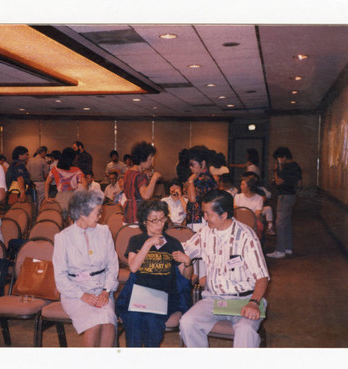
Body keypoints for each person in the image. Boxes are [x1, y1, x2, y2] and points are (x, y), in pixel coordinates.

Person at [180, 190, 270, 348]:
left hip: (245, 299)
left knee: (245, 331)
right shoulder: (205, 232)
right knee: (187, 322)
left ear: (224, 215)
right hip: (214, 299)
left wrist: (254, 303)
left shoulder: (246, 236)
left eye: (208, 214)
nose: (204, 218)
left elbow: (262, 277)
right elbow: (185, 249)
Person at [115, 200, 192, 347]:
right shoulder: (136, 240)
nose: (160, 224)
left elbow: (186, 276)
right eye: (154, 220)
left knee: (152, 321)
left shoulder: (173, 243)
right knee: (133, 319)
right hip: (139, 293)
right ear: (144, 221)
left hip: (164, 295)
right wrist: (148, 243)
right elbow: (133, 267)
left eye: (162, 218)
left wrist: (187, 262)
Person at [52, 190, 119, 347]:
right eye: (98, 212)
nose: (100, 216)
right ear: (82, 212)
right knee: (94, 324)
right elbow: (60, 277)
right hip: (75, 293)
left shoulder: (104, 232)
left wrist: (106, 291)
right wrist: (83, 295)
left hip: (101, 289)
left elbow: (113, 265)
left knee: (108, 323)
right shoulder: (63, 237)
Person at [266, 146, 302, 258]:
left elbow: (278, 182)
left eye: (278, 158)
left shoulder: (287, 167)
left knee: (280, 224)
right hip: (292, 195)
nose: (278, 161)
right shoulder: (296, 166)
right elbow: (300, 182)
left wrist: (276, 169)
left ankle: (280, 250)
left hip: (284, 196)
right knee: (287, 223)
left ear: (284, 157)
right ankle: (288, 248)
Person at [123, 141, 162, 224]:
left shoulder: (128, 173)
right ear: (142, 159)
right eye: (150, 158)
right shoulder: (140, 176)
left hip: (127, 214)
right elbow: (146, 195)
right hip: (137, 215)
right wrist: (154, 178)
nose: (152, 161)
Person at [44, 147, 87, 216]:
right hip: (73, 198)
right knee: (72, 221)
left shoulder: (55, 168)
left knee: (61, 221)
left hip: (60, 198)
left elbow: (47, 183)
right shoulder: (76, 170)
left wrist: (47, 198)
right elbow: (84, 184)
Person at [185, 145, 217, 232]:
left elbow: (193, 199)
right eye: (190, 165)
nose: (190, 167)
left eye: (193, 164)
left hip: (201, 219)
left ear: (202, 163)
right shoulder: (199, 177)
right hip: (196, 219)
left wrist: (191, 181)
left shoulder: (205, 178)